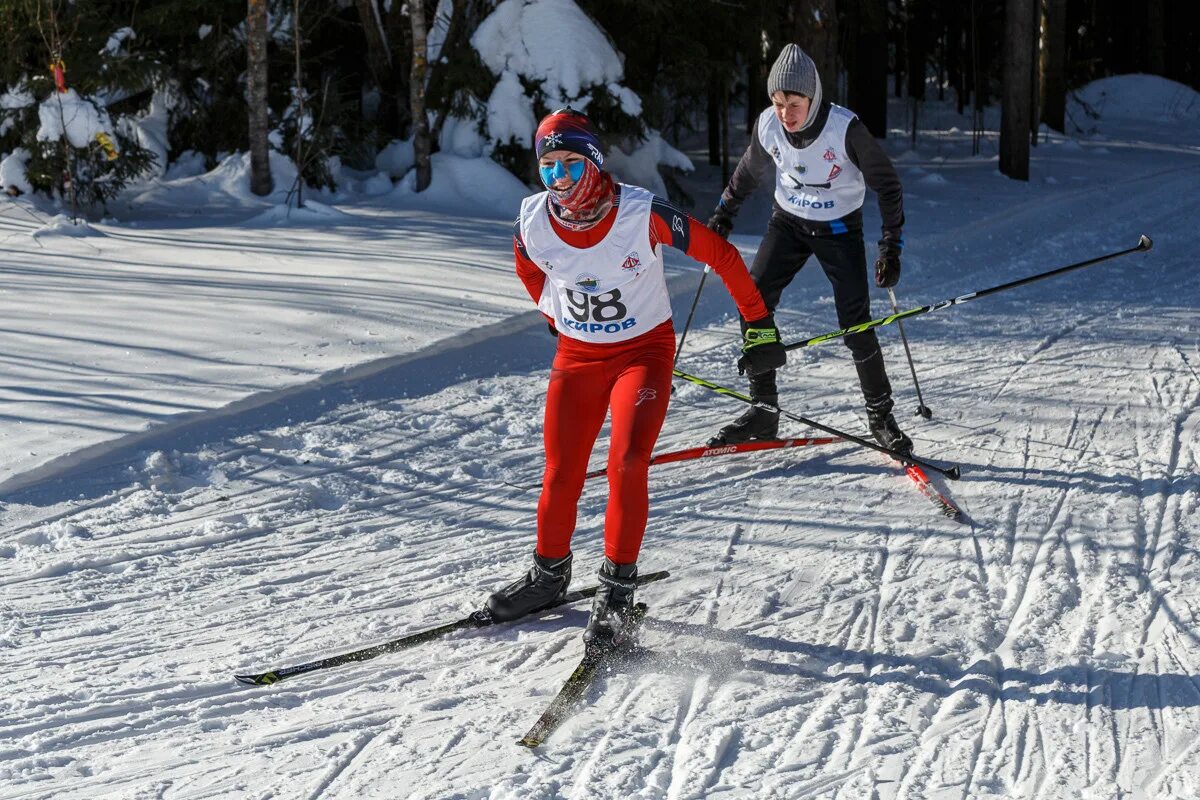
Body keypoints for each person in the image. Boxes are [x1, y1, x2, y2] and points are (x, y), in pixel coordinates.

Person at [487, 108, 784, 643]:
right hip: (578, 356)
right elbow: (529, 268)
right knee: (561, 470)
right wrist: (554, 313)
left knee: (626, 462)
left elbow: (721, 256)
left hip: (641, 354)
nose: (558, 179)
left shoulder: (641, 215)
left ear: (594, 164)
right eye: (548, 167)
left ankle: (618, 589)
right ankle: (548, 574)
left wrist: (758, 327)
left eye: (570, 166)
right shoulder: (532, 219)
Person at [705, 44, 913, 455]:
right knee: (754, 300)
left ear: (813, 97)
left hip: (839, 229)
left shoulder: (845, 130)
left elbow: (888, 186)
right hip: (788, 224)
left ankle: (881, 417)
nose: (786, 113)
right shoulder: (768, 125)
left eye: (794, 103)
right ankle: (764, 410)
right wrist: (724, 213)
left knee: (855, 323)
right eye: (778, 103)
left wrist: (891, 247)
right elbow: (749, 170)